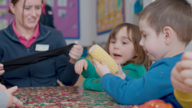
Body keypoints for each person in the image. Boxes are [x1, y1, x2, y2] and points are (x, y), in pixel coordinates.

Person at [92, 0, 192, 107]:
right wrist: (123, 77)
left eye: (144, 35)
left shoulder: (168, 68)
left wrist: (106, 76)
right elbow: (142, 88)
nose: (140, 43)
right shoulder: (174, 64)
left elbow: (128, 95)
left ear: (167, 35)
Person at [0, 0, 83, 88]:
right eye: (27, 8)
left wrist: (73, 60)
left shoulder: (55, 37)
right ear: (13, 8)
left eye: (37, 8)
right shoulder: (1, 39)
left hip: (50, 99)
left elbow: (68, 81)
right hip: (12, 98)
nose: (34, 14)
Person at [75, 23, 151, 92]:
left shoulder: (135, 70)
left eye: (124, 42)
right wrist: (85, 64)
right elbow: (95, 73)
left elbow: (109, 84)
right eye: (113, 42)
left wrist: (86, 82)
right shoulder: (116, 64)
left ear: (137, 51)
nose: (116, 46)